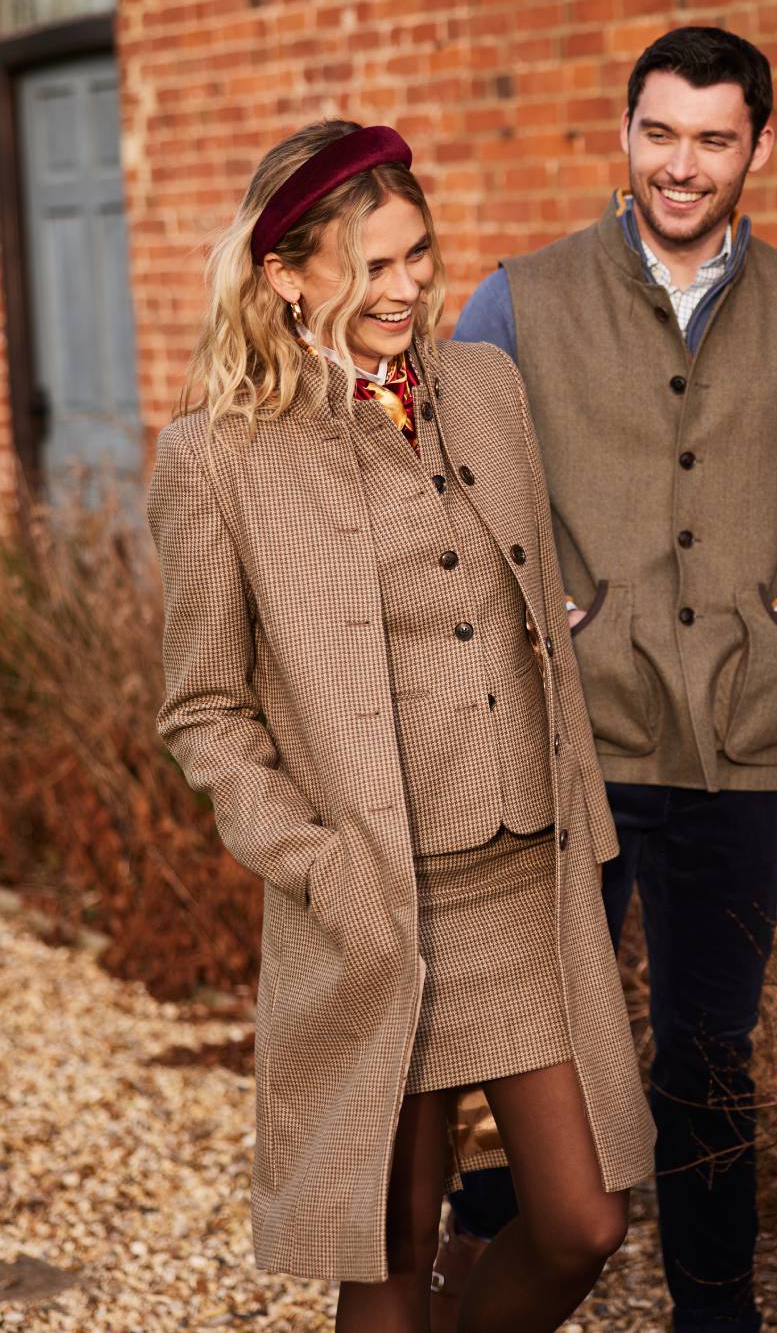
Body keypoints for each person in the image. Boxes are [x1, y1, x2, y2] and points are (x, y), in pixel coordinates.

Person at [146, 119, 654, 1333]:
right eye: (371, 265)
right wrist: (316, 862)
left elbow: (530, 600)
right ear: (286, 276)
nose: (407, 286)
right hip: (375, 901)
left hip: (523, 883)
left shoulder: (484, 389)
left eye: (417, 254)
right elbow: (203, 708)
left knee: (584, 1222)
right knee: (388, 1250)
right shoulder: (216, 459)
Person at [439, 26, 777, 1333]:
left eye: (712, 139)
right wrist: (538, 608)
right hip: (562, 748)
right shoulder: (519, 299)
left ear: (760, 146)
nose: (681, 165)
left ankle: (715, 1316)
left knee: (709, 1058)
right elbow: (443, 482)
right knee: (530, 1039)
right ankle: (471, 1288)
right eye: (659, 133)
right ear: (625, 133)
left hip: (736, 747)